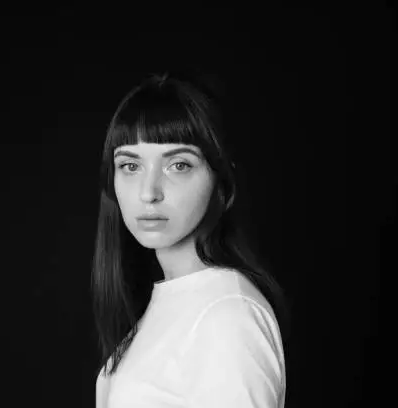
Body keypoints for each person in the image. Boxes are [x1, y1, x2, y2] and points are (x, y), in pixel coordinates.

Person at [90, 71, 290, 408]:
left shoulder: (228, 315)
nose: (148, 192)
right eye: (130, 166)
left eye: (179, 165)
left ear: (221, 179)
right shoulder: (177, 301)